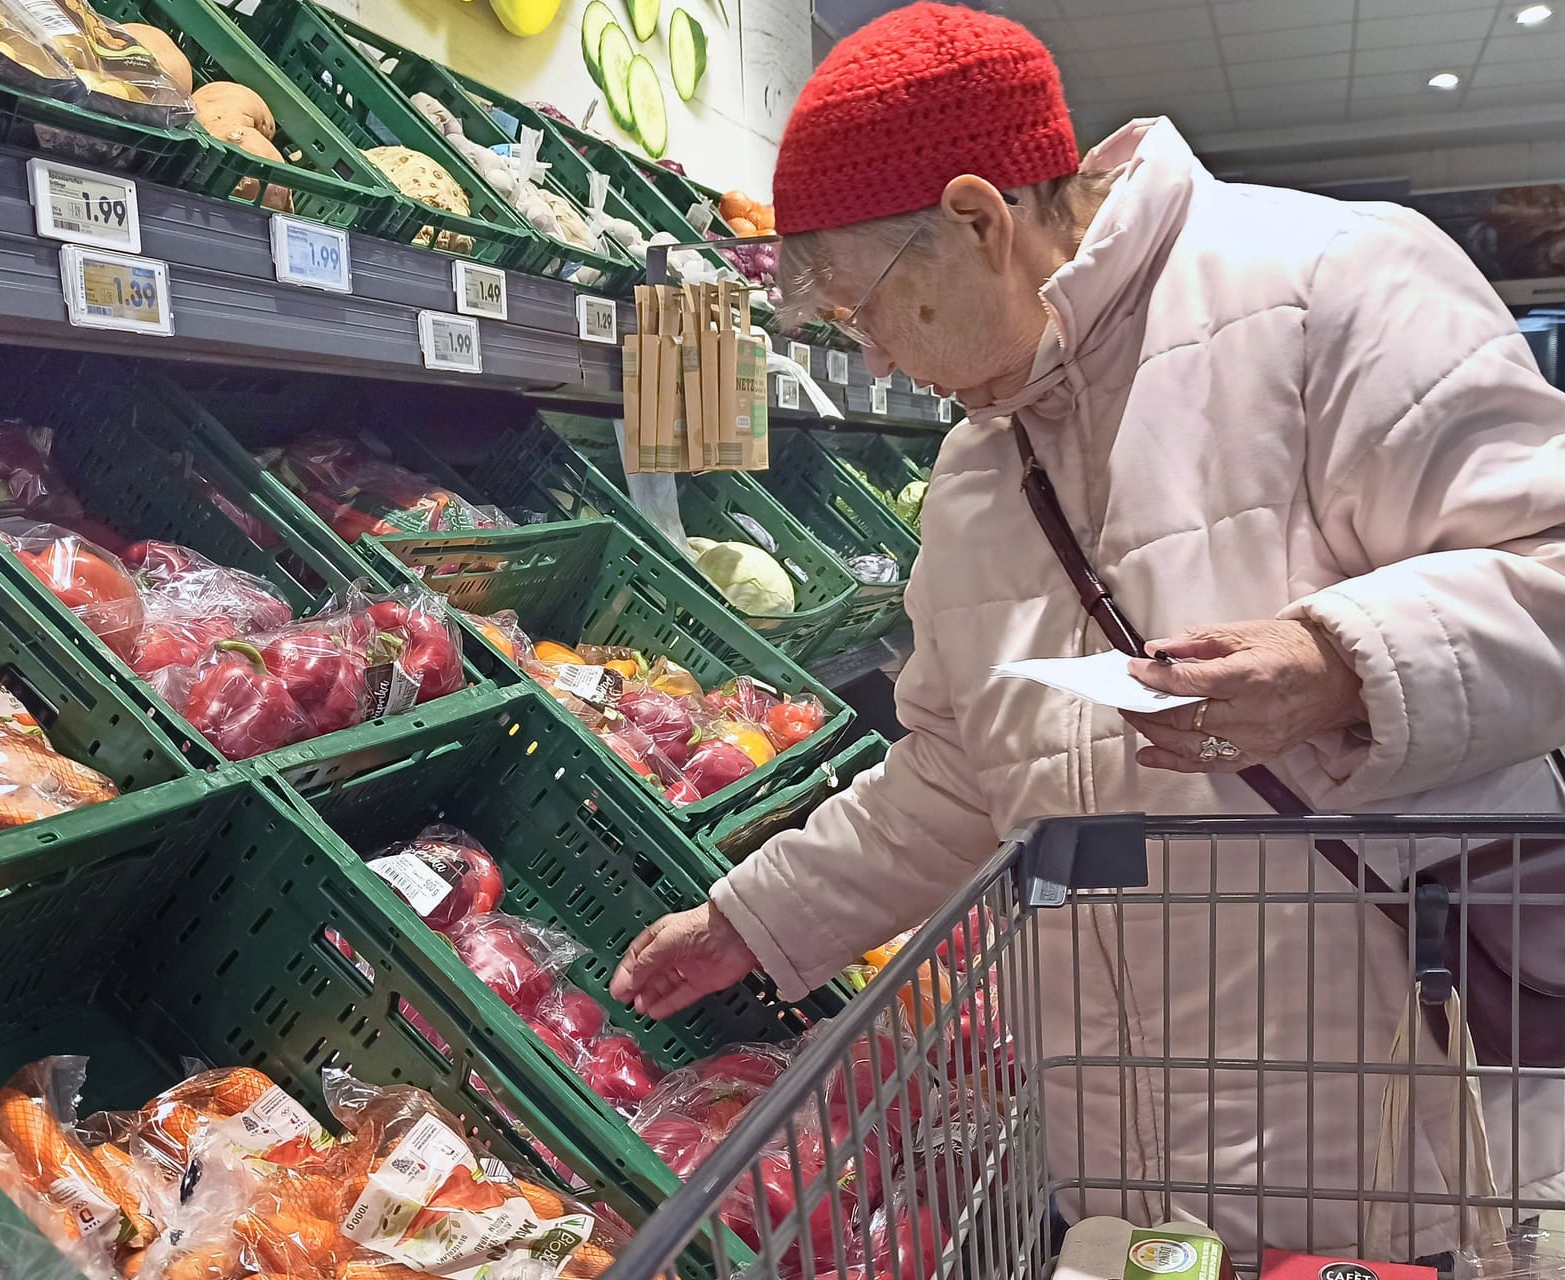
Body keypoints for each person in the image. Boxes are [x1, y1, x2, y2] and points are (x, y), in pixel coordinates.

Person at [610, 1, 1565, 1262]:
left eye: (865, 308)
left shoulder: (1334, 286)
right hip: (1137, 1165)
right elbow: (958, 774)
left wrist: (1343, 663)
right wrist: (754, 918)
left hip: (1412, 1116)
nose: (875, 357)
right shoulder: (974, 475)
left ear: (974, 220)